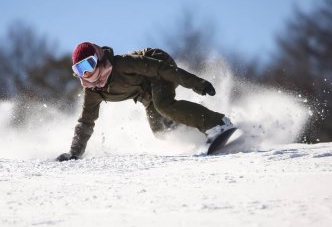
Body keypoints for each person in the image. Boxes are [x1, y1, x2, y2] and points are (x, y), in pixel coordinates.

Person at [56, 42, 233, 161]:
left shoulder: (122, 65)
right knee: (161, 131)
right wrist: (74, 153)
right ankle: (200, 132)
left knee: (164, 105)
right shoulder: (92, 91)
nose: (86, 73)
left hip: (157, 65)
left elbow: (160, 69)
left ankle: (217, 123)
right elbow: (86, 122)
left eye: (89, 64)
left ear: (99, 58)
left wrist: (196, 83)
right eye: (80, 69)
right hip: (145, 91)